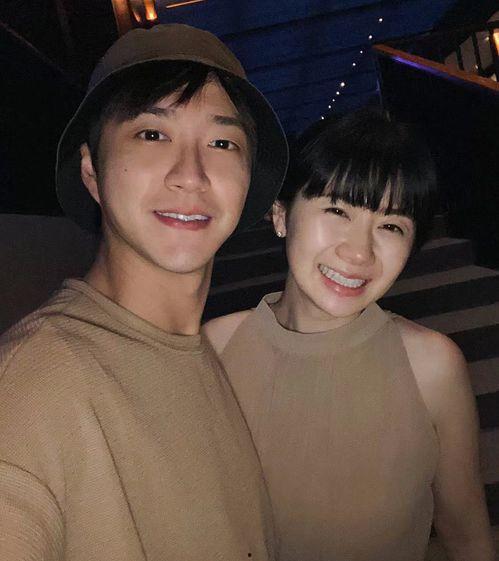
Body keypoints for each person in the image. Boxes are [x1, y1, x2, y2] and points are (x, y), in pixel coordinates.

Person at [0, 24, 288, 560]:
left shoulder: (200, 353)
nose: (191, 175)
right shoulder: (31, 387)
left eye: (222, 143)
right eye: (152, 134)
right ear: (92, 171)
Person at [203, 109, 495, 561]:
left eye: (391, 226)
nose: (359, 252)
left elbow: (466, 535)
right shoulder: (216, 348)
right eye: (338, 210)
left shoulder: (431, 367)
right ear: (281, 215)